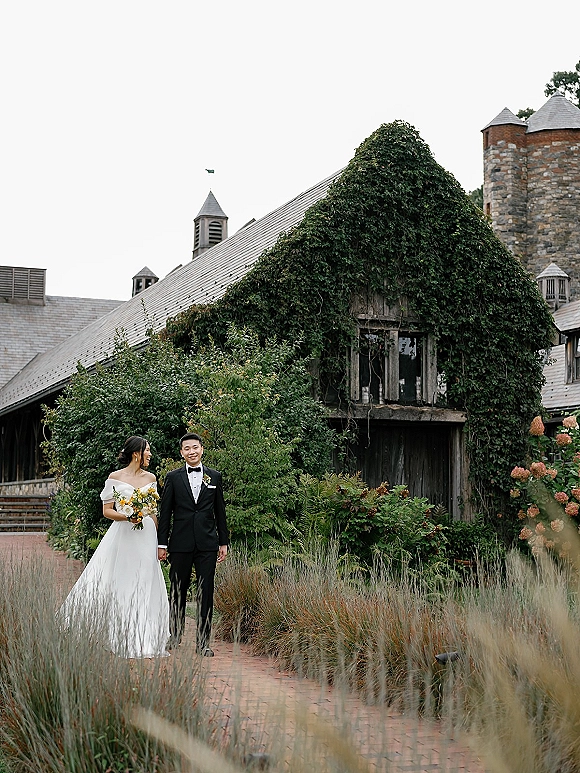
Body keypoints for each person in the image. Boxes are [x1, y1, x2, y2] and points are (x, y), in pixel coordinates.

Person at [58, 436, 170, 659]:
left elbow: (154, 512)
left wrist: (159, 541)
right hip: (125, 533)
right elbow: (107, 510)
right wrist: (128, 516)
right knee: (124, 579)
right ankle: (121, 633)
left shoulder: (151, 477)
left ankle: (144, 634)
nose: (150, 454)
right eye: (147, 451)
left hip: (146, 534)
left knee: (146, 579)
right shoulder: (115, 478)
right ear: (136, 453)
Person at [157, 432, 229, 656]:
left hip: (208, 543)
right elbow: (165, 512)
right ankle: (175, 635)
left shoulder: (214, 477)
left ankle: (203, 643)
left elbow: (220, 512)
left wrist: (223, 541)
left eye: (195, 447)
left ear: (202, 449)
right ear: (182, 453)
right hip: (180, 543)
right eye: (187, 448)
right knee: (177, 590)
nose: (192, 452)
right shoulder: (173, 477)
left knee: (206, 592)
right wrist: (162, 543)